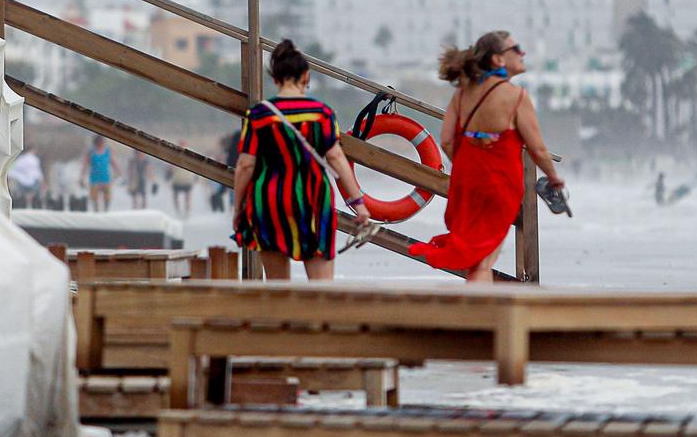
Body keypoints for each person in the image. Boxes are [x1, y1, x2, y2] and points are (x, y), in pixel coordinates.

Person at [409, 31, 567, 283]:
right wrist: (553, 177)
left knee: (475, 256)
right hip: (500, 184)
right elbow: (537, 149)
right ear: (498, 60)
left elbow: (447, 140)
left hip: (467, 181)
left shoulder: (463, 93)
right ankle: (478, 316)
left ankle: (476, 312)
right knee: (484, 259)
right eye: (516, 48)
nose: (522, 53)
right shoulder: (516, 97)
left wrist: (467, 163)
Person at [232, 40, 371, 280]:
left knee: (278, 292)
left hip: (269, 202)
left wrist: (238, 208)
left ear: (275, 78)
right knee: (320, 291)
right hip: (312, 202)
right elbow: (336, 158)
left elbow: (245, 164)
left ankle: (284, 318)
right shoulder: (322, 113)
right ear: (306, 76)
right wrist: (358, 202)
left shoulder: (259, 115)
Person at [87, 135, 113, 212]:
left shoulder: (107, 151)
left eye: (102, 142)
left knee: (107, 197)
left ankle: (106, 211)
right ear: (96, 143)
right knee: (94, 197)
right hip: (94, 177)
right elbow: (85, 164)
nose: (101, 143)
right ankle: (96, 211)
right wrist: (81, 176)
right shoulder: (91, 152)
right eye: (100, 142)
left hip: (105, 177)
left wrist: (119, 172)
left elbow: (112, 162)